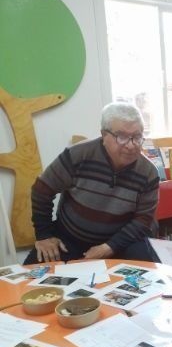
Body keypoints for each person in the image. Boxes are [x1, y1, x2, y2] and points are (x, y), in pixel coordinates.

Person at [27, 102, 159, 264]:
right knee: (31, 275)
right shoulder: (77, 155)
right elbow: (41, 190)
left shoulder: (149, 172)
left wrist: (109, 247)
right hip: (70, 239)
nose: (131, 145)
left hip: (121, 243)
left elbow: (143, 220)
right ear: (104, 135)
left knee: (146, 270)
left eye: (137, 137)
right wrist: (44, 235)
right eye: (122, 137)